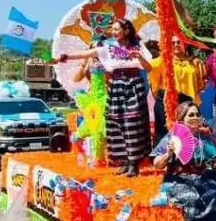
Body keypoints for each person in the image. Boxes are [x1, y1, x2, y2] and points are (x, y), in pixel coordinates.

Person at [56, 18, 152, 177]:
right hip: (116, 86)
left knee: (132, 124)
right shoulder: (108, 47)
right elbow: (83, 53)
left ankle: (134, 163)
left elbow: (148, 68)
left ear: (126, 31)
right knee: (116, 123)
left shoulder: (137, 46)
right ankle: (124, 162)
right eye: (112, 29)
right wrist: (62, 57)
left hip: (133, 86)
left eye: (116, 29)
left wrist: (139, 57)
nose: (113, 32)